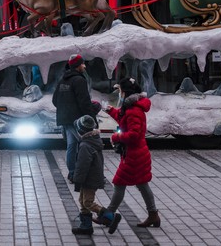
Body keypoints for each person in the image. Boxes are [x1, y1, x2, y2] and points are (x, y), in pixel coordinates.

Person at [96, 77, 160, 232]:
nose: (119, 93)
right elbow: (122, 117)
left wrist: (116, 137)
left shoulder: (133, 110)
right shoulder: (131, 107)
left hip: (134, 155)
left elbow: (133, 134)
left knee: (119, 183)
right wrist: (110, 110)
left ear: (125, 92)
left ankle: (109, 215)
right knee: (142, 184)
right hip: (135, 153)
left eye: (120, 91)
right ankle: (153, 215)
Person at [52, 54, 102, 183]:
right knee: (86, 145)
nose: (84, 66)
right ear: (78, 65)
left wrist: (65, 109)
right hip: (78, 120)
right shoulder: (79, 80)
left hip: (66, 119)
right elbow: (84, 102)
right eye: (82, 64)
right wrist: (92, 121)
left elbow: (55, 100)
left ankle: (73, 173)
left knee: (71, 146)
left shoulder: (63, 80)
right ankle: (83, 175)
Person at [71, 115, 120, 235]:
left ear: (80, 130)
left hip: (89, 179)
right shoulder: (92, 141)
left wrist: (77, 179)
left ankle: (110, 216)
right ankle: (86, 226)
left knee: (87, 202)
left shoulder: (85, 146)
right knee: (83, 201)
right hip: (91, 177)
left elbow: (82, 166)